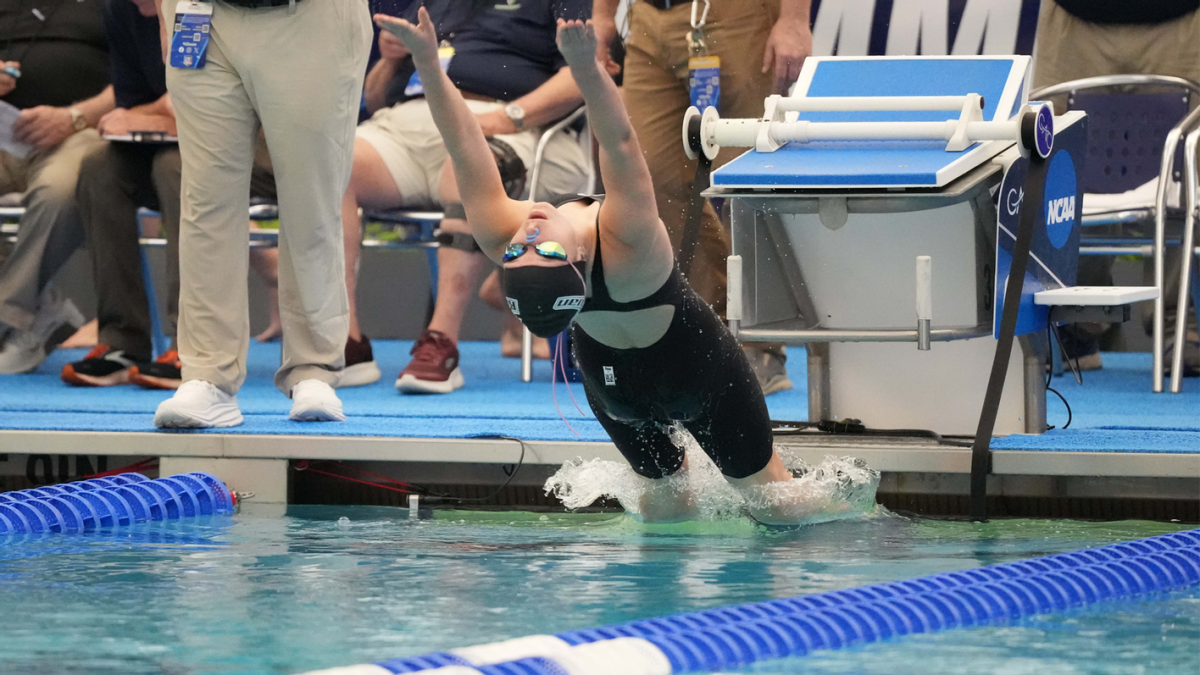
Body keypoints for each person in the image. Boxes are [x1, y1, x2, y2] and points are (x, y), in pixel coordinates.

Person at [376, 9, 813, 524]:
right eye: (547, 253)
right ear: (578, 262)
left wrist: (428, 62)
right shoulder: (627, 240)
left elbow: (463, 143)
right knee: (777, 512)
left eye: (517, 254)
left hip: (618, 388)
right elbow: (621, 143)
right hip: (695, 375)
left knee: (711, 515)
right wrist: (587, 70)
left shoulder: (504, 232)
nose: (529, 236)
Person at [343, 0, 591, 392]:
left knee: (465, 169)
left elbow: (582, 73)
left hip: (509, 125)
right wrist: (389, 61)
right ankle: (346, 340)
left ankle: (442, 342)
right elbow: (376, 99)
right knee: (332, 166)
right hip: (412, 123)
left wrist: (507, 116)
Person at [151, 0, 372, 427]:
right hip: (201, 14)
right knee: (205, 201)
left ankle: (313, 368)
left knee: (312, 196)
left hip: (311, 15)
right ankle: (207, 375)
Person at [590, 0, 813, 396]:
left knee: (746, 180)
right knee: (649, 179)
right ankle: (710, 331)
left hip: (736, 16)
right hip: (647, 20)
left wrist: (794, 18)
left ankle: (760, 344)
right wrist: (603, 14)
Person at [61, 0, 281, 390]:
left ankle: (193, 344)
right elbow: (132, 103)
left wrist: (157, 112)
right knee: (100, 168)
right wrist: (155, 113)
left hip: (263, 140)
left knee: (176, 167)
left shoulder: (211, 7)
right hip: (178, 141)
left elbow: (237, 103)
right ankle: (122, 342)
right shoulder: (121, 12)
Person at [1034, 0, 1200, 374]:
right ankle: (1076, 318)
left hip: (1184, 19)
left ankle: (1177, 325)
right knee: (1057, 159)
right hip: (1072, 19)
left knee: (1187, 164)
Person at [0, 0, 115, 374]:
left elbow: (143, 77)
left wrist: (75, 117)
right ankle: (41, 310)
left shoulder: (118, 6)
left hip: (83, 131)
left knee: (61, 190)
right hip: (5, 134)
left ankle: (12, 315)